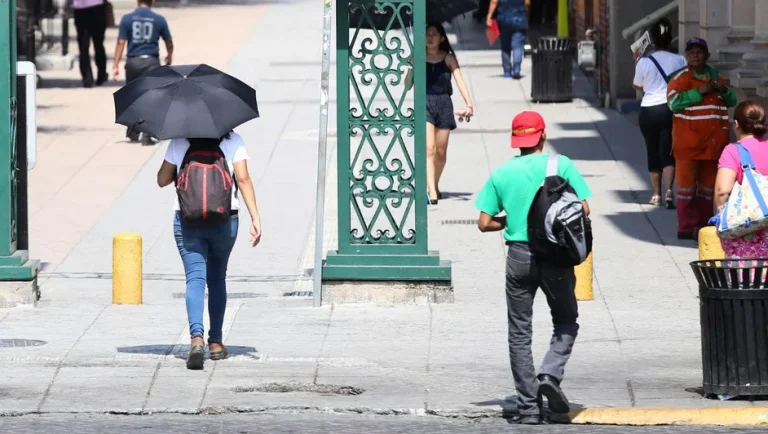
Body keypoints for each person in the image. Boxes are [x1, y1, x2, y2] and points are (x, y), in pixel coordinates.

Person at [475, 111, 592, 424]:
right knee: (567, 320)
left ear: (516, 140)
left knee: (519, 333)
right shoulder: (561, 166)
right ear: (543, 136)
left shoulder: (501, 174)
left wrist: (512, 220)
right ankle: (550, 375)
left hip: (519, 257)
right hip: (555, 258)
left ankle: (528, 408)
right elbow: (583, 207)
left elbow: (484, 223)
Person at [156, 132, 262, 370]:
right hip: (226, 219)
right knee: (217, 279)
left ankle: (196, 338)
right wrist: (255, 217)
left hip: (187, 219)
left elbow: (162, 180)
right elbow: (243, 179)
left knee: (194, 278)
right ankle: (215, 342)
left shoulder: (179, 141)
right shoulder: (233, 141)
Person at [667, 37, 738, 240]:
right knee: (686, 190)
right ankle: (686, 228)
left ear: (706, 55)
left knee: (708, 190)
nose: (695, 55)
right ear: (687, 56)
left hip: (713, 146)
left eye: (699, 51)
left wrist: (722, 90)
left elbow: (732, 100)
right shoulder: (679, 78)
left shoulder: (716, 76)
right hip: (688, 146)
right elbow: (673, 103)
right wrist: (699, 91)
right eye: (691, 52)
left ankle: (705, 226)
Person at [406, 23, 474, 204]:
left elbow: (460, 81)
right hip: (424, 103)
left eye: (434, 34)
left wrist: (469, 104)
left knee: (441, 153)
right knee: (429, 149)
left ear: (442, 38)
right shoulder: (418, 57)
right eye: (427, 34)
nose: (430, 37)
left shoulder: (448, 58)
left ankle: (433, 184)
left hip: (444, 104)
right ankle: (432, 193)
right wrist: (412, 65)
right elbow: (406, 87)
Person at [632, 18, 686, 208]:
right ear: (670, 40)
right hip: (670, 109)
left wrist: (638, 63)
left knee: (652, 150)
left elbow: (637, 86)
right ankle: (670, 192)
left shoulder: (644, 62)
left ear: (652, 41)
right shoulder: (680, 60)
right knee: (669, 151)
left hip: (648, 110)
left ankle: (656, 194)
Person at [113, 0, 174, 145]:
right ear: (152, 1)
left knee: (132, 96)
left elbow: (121, 42)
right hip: (151, 62)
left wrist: (115, 64)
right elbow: (168, 41)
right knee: (151, 98)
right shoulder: (159, 19)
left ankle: (133, 131)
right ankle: (147, 134)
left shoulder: (127, 19)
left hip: (133, 62)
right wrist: (169, 55)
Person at [714, 101, 768, 258]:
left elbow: (722, 191)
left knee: (747, 278)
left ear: (736, 124)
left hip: (746, 231)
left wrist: (720, 219)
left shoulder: (733, 151)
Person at [487, 0, 530, 79]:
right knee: (518, 46)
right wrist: (526, 12)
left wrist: (489, 15)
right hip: (519, 18)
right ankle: (516, 69)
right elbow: (527, 3)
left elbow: (494, 1)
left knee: (505, 46)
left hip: (504, 19)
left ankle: (507, 71)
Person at [70, 0, 108, 87]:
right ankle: (101, 75)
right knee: (98, 43)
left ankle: (87, 77)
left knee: (83, 46)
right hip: (97, 7)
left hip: (80, 8)